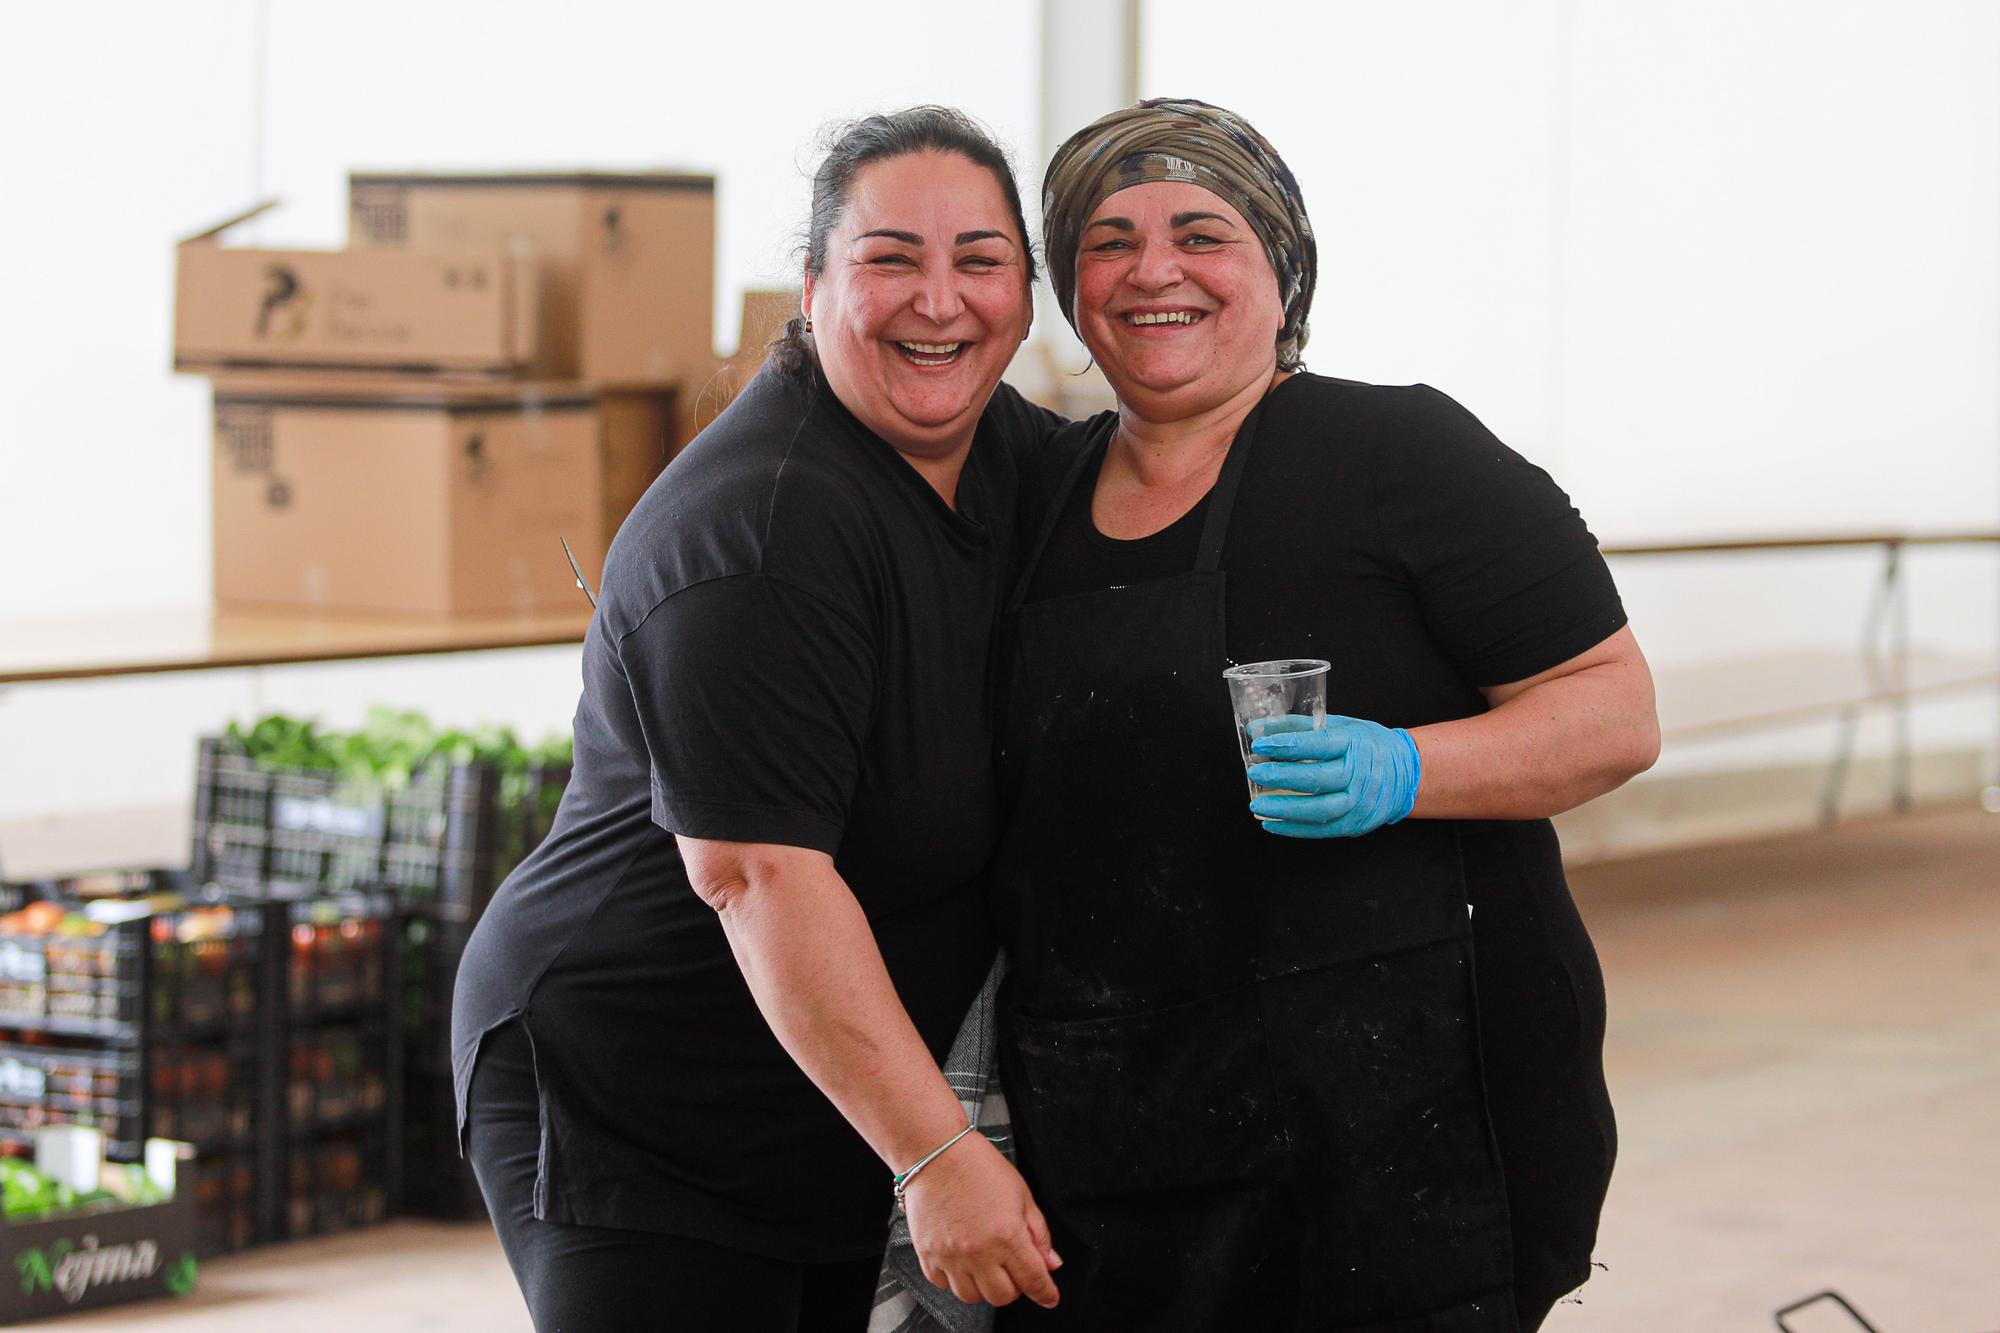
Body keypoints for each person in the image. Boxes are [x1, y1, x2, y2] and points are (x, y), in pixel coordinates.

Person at [989, 98, 1660, 1331]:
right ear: (1067, 288)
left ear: (1280, 267)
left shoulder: (1398, 451)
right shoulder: (1035, 491)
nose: (1152, 271)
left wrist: (1405, 767)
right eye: (1105, 239)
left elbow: (1613, 711)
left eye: (1202, 233)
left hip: (1404, 1115)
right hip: (1133, 1116)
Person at [452, 107, 1064, 1332]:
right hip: (638, 1085)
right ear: (813, 285)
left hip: (812, 1083)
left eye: (979, 260)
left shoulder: (1000, 451)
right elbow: (757, 877)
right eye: (891, 258)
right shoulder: (760, 534)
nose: (939, 301)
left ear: (1024, 290)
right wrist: (938, 1154)